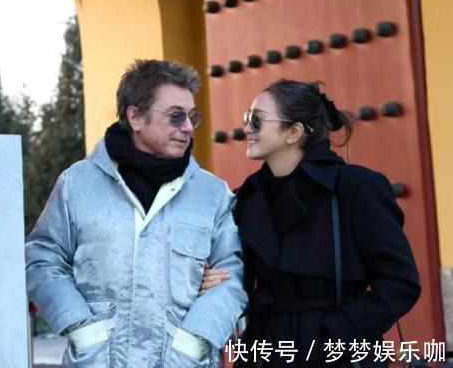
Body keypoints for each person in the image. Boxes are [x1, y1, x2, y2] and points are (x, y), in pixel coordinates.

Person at [25, 59, 247, 367]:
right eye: (176, 116)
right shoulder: (77, 184)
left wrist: (192, 343)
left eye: (192, 116)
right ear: (135, 117)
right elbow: (42, 260)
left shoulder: (212, 194)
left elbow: (233, 277)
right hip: (97, 361)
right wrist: (83, 331)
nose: (187, 127)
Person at [204, 79, 421, 367]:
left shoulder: (355, 187)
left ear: (294, 132)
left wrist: (336, 333)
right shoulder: (247, 197)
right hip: (265, 352)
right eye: (247, 118)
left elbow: (400, 282)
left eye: (257, 120)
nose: (246, 128)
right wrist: (215, 280)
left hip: (338, 353)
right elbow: (242, 277)